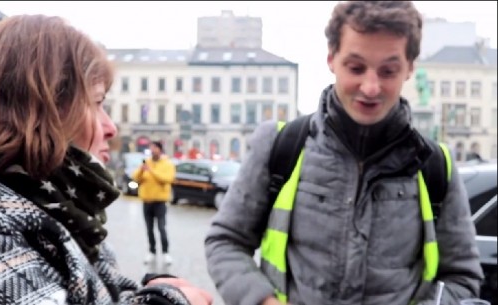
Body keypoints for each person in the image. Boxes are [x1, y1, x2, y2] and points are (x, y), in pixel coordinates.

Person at [204, 2, 484, 305]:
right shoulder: (279, 145)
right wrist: (262, 301)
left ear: (410, 68)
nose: (371, 87)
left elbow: (461, 277)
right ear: (331, 58)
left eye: (388, 71)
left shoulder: (435, 166)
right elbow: (226, 242)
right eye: (356, 67)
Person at [0, 14, 212, 305]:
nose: (111, 127)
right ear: (46, 109)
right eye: (97, 103)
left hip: (159, 200)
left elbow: (100, 293)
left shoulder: (65, 210)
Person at [132, 141, 176, 265]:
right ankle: (152, 251)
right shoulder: (146, 162)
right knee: (149, 228)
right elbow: (135, 178)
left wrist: (151, 171)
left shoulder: (167, 164)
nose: (152, 150)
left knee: (161, 228)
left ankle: (165, 253)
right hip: (147, 201)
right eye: (151, 148)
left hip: (160, 201)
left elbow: (166, 179)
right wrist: (141, 170)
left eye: (155, 148)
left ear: (160, 150)